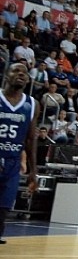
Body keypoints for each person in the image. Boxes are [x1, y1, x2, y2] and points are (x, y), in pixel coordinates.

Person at [0, 63, 37, 244]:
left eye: (24, 73)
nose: (20, 74)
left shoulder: (31, 104)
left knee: (5, 205)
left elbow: (30, 140)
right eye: (16, 71)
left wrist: (33, 171)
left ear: (28, 80)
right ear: (7, 75)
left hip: (13, 161)